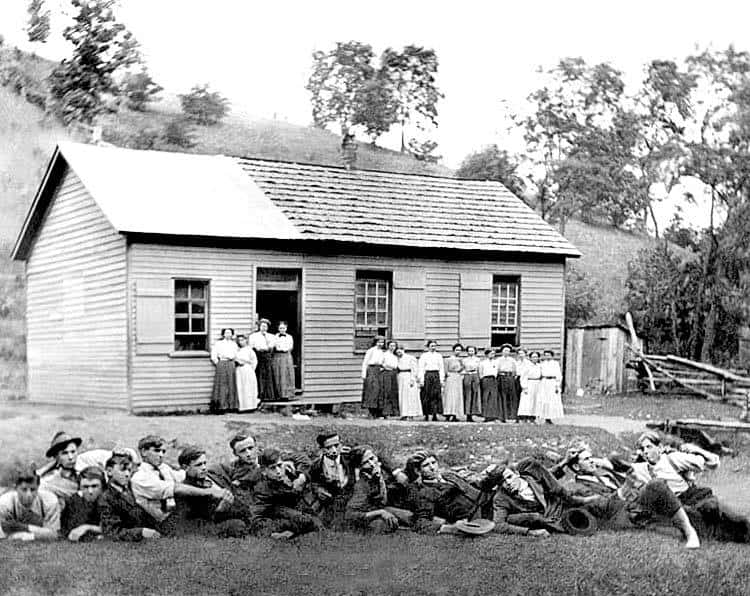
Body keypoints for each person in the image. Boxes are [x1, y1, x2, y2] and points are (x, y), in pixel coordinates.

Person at [130, 435, 228, 529]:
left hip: (178, 514)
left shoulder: (164, 468)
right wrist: (210, 491)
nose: (161, 455)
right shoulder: (139, 477)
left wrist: (202, 472)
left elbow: (185, 475)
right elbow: (175, 488)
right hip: (161, 522)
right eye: (156, 451)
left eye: (163, 451)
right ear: (143, 452)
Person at [403, 451, 502, 535]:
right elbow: (421, 522)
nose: (432, 467)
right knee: (511, 519)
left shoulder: (449, 475)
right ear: (418, 471)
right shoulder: (424, 491)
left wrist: (492, 477)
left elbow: (476, 485)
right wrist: (450, 528)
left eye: (433, 462)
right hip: (480, 516)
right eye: (426, 465)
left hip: (491, 500)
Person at [494, 456, 591, 536]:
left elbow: (549, 476)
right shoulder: (500, 498)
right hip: (547, 520)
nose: (508, 483)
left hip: (560, 505)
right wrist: (530, 532)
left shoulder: (532, 476)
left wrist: (565, 461)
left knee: (593, 503)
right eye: (503, 482)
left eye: (509, 477)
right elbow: (498, 525)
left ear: (516, 473)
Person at [37, 431, 136, 504]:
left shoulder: (87, 458)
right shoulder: (55, 480)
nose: (71, 457)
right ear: (56, 457)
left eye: (73, 452)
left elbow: (123, 454)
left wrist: (124, 452)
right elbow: (37, 483)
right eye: (65, 453)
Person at [173, 446, 249, 538]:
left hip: (216, 520)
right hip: (200, 529)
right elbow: (203, 520)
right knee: (237, 525)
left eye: (205, 463)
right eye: (199, 465)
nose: (204, 468)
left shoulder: (208, 480)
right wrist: (221, 510)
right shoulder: (188, 490)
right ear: (185, 467)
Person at [248, 448, 324, 540]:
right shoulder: (262, 490)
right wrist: (271, 533)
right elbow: (255, 518)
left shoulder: (287, 472)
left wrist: (300, 475)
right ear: (264, 471)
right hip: (279, 516)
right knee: (306, 521)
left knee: (315, 522)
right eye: (273, 468)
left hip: (296, 509)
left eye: (279, 465)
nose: (278, 471)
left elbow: (305, 461)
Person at [344, 445, 412, 533]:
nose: (372, 464)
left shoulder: (381, 472)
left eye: (372, 458)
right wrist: (380, 512)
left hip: (385, 507)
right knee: (382, 525)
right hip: (370, 515)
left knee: (409, 517)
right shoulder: (361, 485)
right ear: (360, 467)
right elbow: (350, 515)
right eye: (366, 463)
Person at [99, 451, 162, 541]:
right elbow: (112, 532)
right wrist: (141, 532)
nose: (127, 474)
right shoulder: (106, 498)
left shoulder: (132, 489)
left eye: (129, 470)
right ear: (109, 471)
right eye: (123, 470)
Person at [0, 466, 60, 541]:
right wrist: (41, 533)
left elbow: (53, 534)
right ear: (15, 488)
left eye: (33, 489)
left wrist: (23, 529)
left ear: (38, 487)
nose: (29, 494)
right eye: (24, 489)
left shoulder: (49, 500)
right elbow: (2, 535)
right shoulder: (5, 503)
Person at [309, 432, 355, 529]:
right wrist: (318, 489)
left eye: (336, 445)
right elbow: (313, 481)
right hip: (330, 501)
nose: (334, 450)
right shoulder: (316, 466)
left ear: (341, 444)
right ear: (322, 449)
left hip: (351, 500)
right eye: (328, 447)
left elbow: (370, 452)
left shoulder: (350, 458)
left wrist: (395, 471)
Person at [60, 466, 105, 542]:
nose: (90, 491)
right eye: (85, 487)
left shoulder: (111, 500)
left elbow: (115, 527)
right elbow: (71, 531)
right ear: (79, 488)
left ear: (102, 487)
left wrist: (87, 527)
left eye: (94, 486)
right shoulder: (74, 501)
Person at [209, 328, 239, 413]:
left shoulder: (234, 344)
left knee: (231, 384)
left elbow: (236, 355)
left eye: (230, 333)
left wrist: (234, 361)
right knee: (222, 384)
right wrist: (218, 363)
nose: (228, 334)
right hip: (222, 363)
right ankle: (221, 406)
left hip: (231, 364)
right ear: (223, 334)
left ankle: (232, 406)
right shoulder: (219, 343)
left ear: (232, 334)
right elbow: (214, 355)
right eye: (226, 333)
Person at [249, 318, 277, 402]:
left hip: (267, 355)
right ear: (259, 326)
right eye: (262, 326)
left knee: (268, 374)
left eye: (265, 326)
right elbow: (251, 346)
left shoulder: (271, 336)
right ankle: (259, 395)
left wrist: (268, 346)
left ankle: (269, 395)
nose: (264, 328)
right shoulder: (253, 336)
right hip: (258, 355)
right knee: (259, 374)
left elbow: (272, 346)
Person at [418, 340, 445, 421]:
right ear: (428, 347)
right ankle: (426, 414)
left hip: (436, 375)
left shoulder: (439, 356)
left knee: (436, 396)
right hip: (427, 375)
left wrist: (441, 379)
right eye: (431, 346)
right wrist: (421, 380)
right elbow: (421, 368)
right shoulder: (424, 356)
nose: (433, 347)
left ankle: (434, 414)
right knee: (426, 395)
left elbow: (441, 368)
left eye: (434, 346)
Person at [361, 336, 386, 418]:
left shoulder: (382, 352)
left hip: (379, 371)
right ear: (375, 342)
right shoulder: (371, 351)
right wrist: (364, 374)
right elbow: (365, 363)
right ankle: (371, 412)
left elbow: (383, 362)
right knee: (372, 390)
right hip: (371, 370)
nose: (380, 344)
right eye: (379, 342)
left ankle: (377, 412)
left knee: (379, 391)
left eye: (382, 342)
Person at [535, 349, 563, 424]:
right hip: (544, 382)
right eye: (546, 355)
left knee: (551, 399)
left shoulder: (555, 364)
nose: (547, 356)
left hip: (552, 382)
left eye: (549, 355)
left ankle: (549, 417)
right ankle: (543, 417)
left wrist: (557, 385)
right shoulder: (542, 364)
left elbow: (559, 375)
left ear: (552, 356)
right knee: (544, 399)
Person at [396, 346, 423, 420]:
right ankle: (404, 414)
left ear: (403, 350)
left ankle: (411, 414)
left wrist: (412, 379)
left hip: (409, 376)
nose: (399, 353)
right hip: (401, 377)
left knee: (410, 396)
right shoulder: (397, 359)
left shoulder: (410, 358)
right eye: (397, 352)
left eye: (400, 351)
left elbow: (414, 369)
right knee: (402, 396)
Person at [234, 334, 259, 412]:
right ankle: (242, 407)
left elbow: (254, 361)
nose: (241, 342)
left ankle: (251, 406)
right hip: (239, 370)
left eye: (243, 340)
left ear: (246, 340)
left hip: (248, 370)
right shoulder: (236, 350)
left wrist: (251, 369)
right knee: (240, 387)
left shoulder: (249, 350)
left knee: (249, 387)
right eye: (239, 340)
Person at [272, 321, 296, 401]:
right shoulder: (275, 336)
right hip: (278, 356)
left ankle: (287, 395)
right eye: (280, 328)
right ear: (278, 329)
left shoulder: (289, 337)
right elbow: (275, 346)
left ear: (286, 328)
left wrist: (284, 349)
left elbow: (290, 347)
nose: (282, 330)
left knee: (287, 374)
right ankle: (279, 395)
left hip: (286, 356)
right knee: (278, 374)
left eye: (283, 328)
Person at [517, 350, 542, 423]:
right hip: (529, 383)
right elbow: (523, 377)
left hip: (537, 384)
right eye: (533, 357)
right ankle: (525, 417)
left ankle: (533, 417)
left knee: (535, 400)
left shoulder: (539, 366)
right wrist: (524, 387)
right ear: (530, 358)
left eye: (536, 357)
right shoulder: (527, 366)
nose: (535, 358)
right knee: (527, 401)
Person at [443, 343, 465, 422]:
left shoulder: (461, 360)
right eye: (456, 350)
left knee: (457, 396)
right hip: (450, 377)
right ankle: (448, 414)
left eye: (459, 350)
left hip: (457, 377)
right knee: (449, 395)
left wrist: (460, 371)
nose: (458, 351)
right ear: (453, 350)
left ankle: (455, 414)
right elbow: (445, 370)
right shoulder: (448, 359)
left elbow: (462, 369)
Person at [496, 344, 518, 422]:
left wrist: (512, 377)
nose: (506, 352)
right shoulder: (498, 360)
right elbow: (496, 370)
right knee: (502, 396)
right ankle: (502, 416)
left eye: (508, 351)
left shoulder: (512, 360)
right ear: (502, 351)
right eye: (505, 350)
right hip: (501, 377)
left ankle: (510, 416)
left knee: (511, 396)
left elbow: (515, 371)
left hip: (510, 378)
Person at [380, 339, 401, 418]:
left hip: (394, 374)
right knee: (387, 392)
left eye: (394, 346)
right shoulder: (385, 354)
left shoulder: (396, 355)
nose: (392, 347)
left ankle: (394, 412)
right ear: (388, 346)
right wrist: (386, 367)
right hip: (387, 373)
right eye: (391, 346)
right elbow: (382, 364)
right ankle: (386, 412)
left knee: (394, 392)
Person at [462, 346, 482, 422]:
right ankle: (467, 414)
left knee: (475, 394)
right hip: (467, 375)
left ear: (475, 352)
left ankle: (473, 413)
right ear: (467, 352)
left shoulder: (478, 360)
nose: (471, 352)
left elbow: (479, 369)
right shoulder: (464, 360)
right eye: (469, 351)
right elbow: (462, 369)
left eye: (472, 351)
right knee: (468, 394)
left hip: (475, 375)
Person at [479, 349, 500, 422]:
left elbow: (497, 371)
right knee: (486, 397)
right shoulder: (483, 363)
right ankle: (486, 416)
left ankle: (493, 415)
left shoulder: (496, 362)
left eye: (493, 354)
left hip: (493, 379)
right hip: (486, 379)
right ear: (487, 354)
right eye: (491, 354)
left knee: (493, 397)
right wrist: (483, 380)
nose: (492, 355)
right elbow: (481, 373)